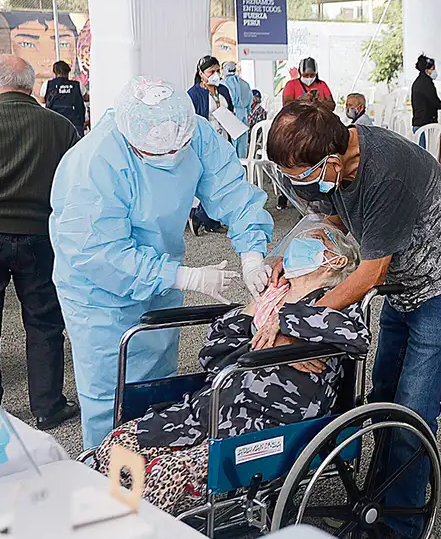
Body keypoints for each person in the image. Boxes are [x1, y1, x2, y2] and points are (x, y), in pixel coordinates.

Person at [264, 102, 441, 537]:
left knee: (414, 409)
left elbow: (370, 272)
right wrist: (290, 257)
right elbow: (329, 221)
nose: (299, 185)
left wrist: (298, 322)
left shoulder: (385, 172)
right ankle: (381, 495)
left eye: (302, 176)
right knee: (383, 394)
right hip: (400, 286)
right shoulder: (331, 170)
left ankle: (399, 525)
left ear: (331, 160)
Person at [49, 76, 275, 448]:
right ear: (132, 141)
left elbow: (232, 191)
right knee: (110, 395)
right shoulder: (94, 162)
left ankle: (152, 466)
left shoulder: (194, 132)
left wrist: (252, 254)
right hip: (98, 295)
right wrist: (183, 277)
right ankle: (105, 473)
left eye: (179, 148)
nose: (172, 157)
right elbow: (98, 252)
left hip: (162, 279)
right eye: (158, 154)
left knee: (156, 386)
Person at [93, 221, 364, 515]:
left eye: (316, 240)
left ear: (336, 260)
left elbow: (357, 336)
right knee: (116, 445)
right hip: (214, 406)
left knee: (161, 476)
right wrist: (256, 309)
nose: (299, 245)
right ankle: (109, 515)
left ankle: (127, 522)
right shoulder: (269, 299)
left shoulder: (336, 302)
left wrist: (283, 322)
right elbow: (212, 354)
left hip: (266, 423)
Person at [0, 55, 79, 430]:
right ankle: (48, 407)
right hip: (41, 237)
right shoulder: (61, 127)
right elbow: (76, 187)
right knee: (44, 322)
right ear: (31, 86)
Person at [187, 55, 232, 235]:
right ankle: (203, 216)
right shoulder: (194, 93)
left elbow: (231, 111)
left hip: (224, 139)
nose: (215, 75)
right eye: (211, 71)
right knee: (210, 180)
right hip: (204, 143)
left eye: (218, 71)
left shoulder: (223, 90)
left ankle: (207, 218)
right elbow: (191, 120)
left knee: (224, 178)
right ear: (201, 73)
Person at [410, 54, 441, 133]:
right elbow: (435, 102)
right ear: (427, 70)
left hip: (419, 122)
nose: (435, 71)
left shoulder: (419, 81)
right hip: (425, 125)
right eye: (433, 69)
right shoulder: (426, 84)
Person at [44, 60, 86, 136]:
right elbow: (86, 97)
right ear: (68, 73)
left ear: (54, 73)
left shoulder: (48, 84)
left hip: (55, 125)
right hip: (75, 125)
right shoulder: (77, 85)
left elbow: (42, 100)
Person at [220, 61, 253, 158]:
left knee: (230, 150)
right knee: (242, 150)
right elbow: (249, 103)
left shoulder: (222, 85)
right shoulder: (245, 84)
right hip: (243, 118)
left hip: (228, 119)